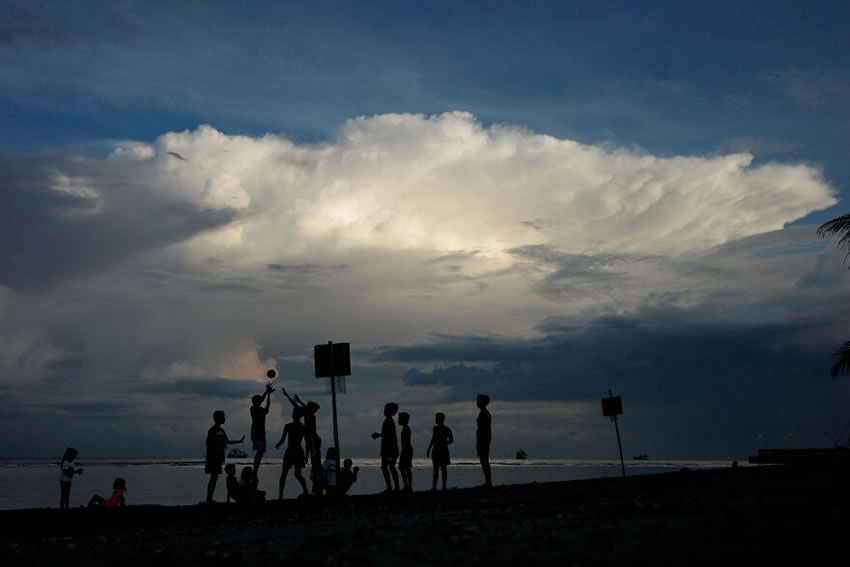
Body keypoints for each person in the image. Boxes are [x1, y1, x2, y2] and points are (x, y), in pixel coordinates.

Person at [282, 388, 323, 495]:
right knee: (314, 464)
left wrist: (299, 401)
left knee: (316, 464)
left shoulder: (311, 415)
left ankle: (317, 488)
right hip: (311, 440)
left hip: (314, 440)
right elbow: (295, 406)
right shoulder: (306, 414)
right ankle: (315, 489)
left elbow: (302, 408)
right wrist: (287, 396)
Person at [205, 410, 245, 503]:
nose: (224, 419)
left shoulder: (221, 430)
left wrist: (238, 441)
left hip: (219, 457)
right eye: (222, 417)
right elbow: (208, 443)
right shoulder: (212, 430)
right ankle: (209, 499)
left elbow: (226, 441)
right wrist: (219, 444)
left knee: (214, 477)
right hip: (213, 457)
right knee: (213, 477)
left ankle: (209, 499)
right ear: (217, 418)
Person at [275, 407, 309, 499]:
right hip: (293, 452)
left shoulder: (298, 427)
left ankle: (305, 491)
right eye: (294, 413)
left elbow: (307, 442)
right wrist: (278, 444)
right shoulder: (292, 426)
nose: (293, 415)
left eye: (295, 414)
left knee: (292, 474)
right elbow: (282, 439)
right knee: (288, 474)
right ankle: (281, 495)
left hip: (295, 452)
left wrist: (306, 455)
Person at [371, 402, 400, 492]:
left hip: (390, 450)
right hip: (388, 449)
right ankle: (392, 488)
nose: (384, 411)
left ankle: (394, 488)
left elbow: (389, 435)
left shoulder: (389, 421)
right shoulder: (388, 421)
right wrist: (379, 435)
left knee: (389, 467)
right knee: (387, 467)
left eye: (386, 409)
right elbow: (387, 434)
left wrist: (378, 435)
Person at [250, 381, 275, 477]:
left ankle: (255, 471)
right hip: (256, 433)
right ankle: (254, 472)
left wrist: (268, 394)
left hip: (261, 433)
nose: (260, 401)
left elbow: (267, 405)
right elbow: (262, 400)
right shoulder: (253, 408)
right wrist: (266, 392)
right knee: (259, 451)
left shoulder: (261, 410)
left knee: (261, 453)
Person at [427, 412, 453, 491]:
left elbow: (451, 440)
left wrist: (443, 443)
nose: (435, 420)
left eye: (437, 418)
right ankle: (434, 486)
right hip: (436, 450)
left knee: (443, 469)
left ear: (440, 419)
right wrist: (429, 449)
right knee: (436, 469)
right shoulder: (435, 428)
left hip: (443, 450)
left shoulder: (447, 429)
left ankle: (444, 486)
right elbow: (433, 439)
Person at [476, 394, 493, 488]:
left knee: (484, 461)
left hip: (483, 440)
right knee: (484, 460)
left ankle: (488, 482)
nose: (477, 403)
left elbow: (484, 429)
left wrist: (480, 442)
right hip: (484, 440)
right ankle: (488, 481)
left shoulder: (485, 414)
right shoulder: (485, 413)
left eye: (478, 401)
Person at [398, 412, 413, 492]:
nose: (398, 420)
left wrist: (404, 451)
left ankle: (408, 486)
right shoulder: (405, 428)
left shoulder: (406, 429)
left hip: (406, 450)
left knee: (405, 468)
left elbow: (406, 442)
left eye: (400, 419)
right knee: (404, 468)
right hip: (406, 449)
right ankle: (407, 486)